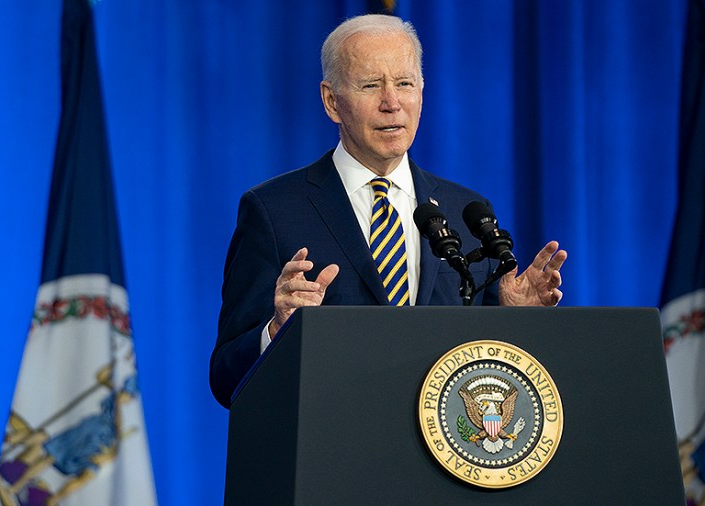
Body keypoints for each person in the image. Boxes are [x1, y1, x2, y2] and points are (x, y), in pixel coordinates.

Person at [209, 14, 567, 408]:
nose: (391, 103)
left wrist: (513, 319)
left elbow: (482, 366)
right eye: (370, 85)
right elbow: (226, 376)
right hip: (330, 456)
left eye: (404, 84)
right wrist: (276, 330)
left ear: (422, 93)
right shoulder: (274, 210)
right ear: (332, 101)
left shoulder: (465, 210)